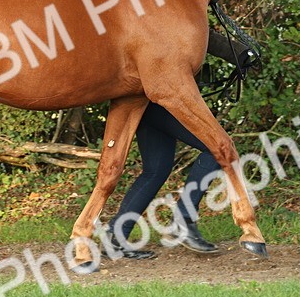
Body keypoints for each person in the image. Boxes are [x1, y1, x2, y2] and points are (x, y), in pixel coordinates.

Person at [104, 30, 257, 258]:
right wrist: (239, 52)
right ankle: (183, 220)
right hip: (160, 97)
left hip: (145, 101)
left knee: (156, 170)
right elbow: (187, 29)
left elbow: (196, 31)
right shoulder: (159, 5)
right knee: (215, 148)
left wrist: (239, 52)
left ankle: (116, 236)